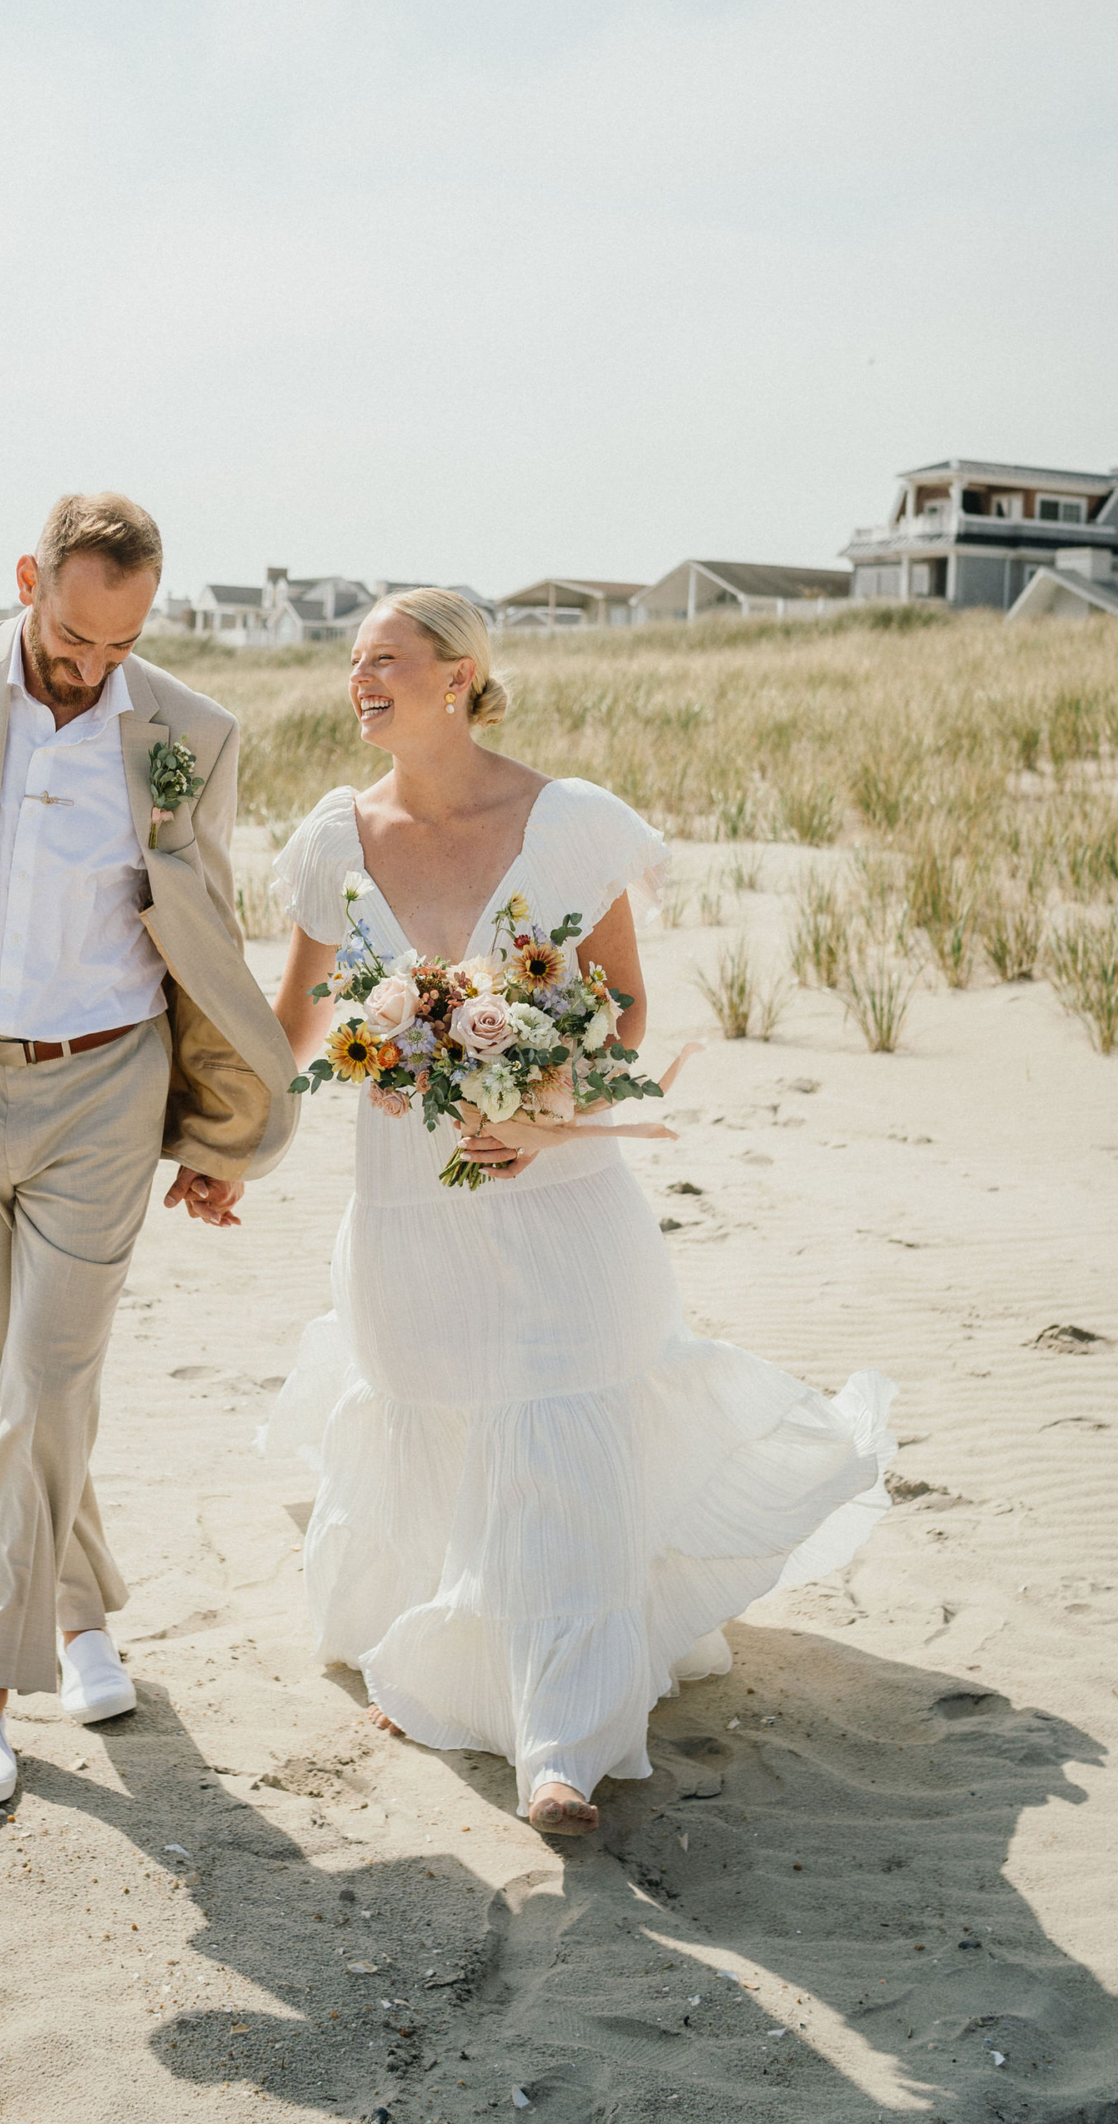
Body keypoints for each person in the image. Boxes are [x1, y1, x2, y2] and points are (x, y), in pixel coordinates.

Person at [263, 589, 895, 1835]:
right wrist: (214, 1142)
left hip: (559, 1199)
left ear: (459, 675)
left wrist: (543, 1102)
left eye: (384, 658)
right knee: (440, 1420)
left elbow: (623, 1005)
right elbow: (288, 1030)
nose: (360, 680)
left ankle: (563, 1741)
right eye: (351, 663)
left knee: (560, 1433)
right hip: (405, 1209)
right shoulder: (332, 841)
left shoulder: (567, 824)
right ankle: (449, 1670)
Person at [0, 491, 299, 1810]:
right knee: (21, 1386)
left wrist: (214, 1131)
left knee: (43, 1385)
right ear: (28, 577)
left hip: (107, 1096)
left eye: (120, 648)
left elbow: (204, 940)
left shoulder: (190, 734)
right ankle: (78, 1616)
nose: (91, 672)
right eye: (73, 640)